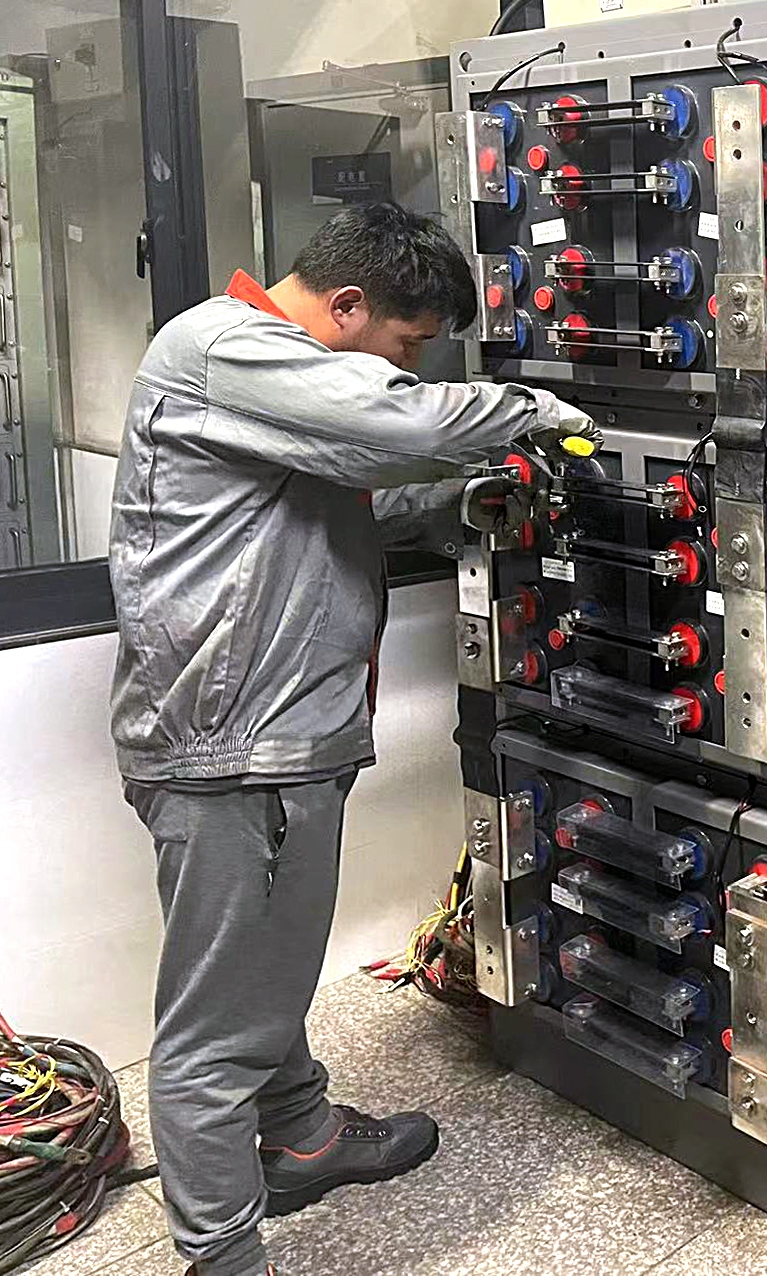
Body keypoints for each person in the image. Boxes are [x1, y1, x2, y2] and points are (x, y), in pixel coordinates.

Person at [108, 203, 598, 1276]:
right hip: (235, 748)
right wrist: (535, 414)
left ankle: (301, 1137)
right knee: (215, 1030)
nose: (409, 365)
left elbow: (324, 513)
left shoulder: (260, 385)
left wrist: (460, 503)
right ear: (345, 306)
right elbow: (398, 424)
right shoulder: (225, 347)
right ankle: (224, 1255)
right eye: (408, 344)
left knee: (263, 967)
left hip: (264, 733)